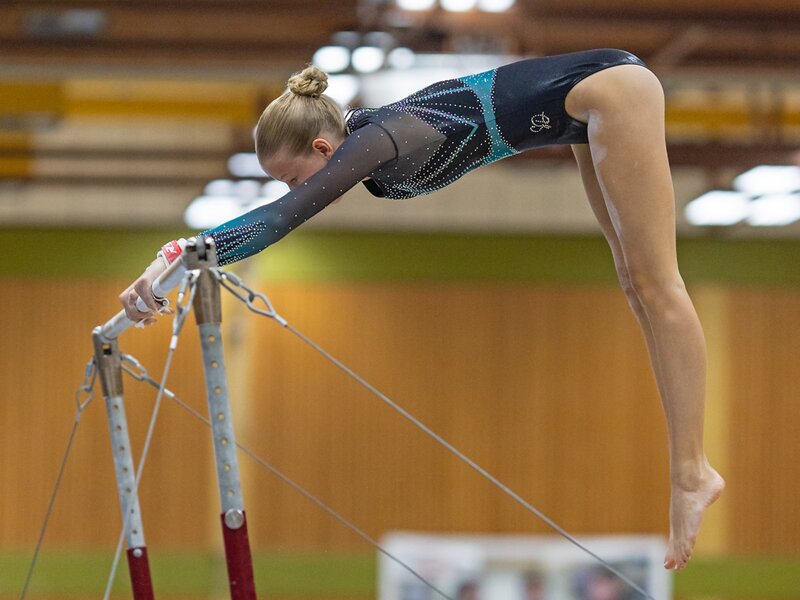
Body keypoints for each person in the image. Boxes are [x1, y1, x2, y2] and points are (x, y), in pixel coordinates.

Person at [120, 49, 724, 571]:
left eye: (292, 176)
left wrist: (174, 256)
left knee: (656, 283)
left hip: (609, 90)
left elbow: (282, 218)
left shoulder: (375, 140)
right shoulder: (371, 139)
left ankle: (692, 473)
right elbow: (290, 204)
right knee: (634, 283)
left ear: (324, 147)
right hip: (575, 110)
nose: (294, 190)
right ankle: (691, 469)